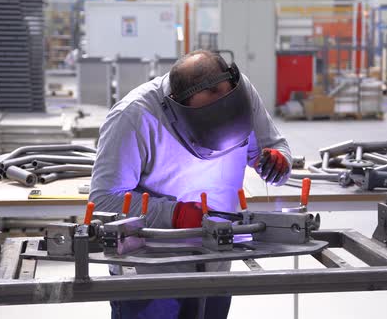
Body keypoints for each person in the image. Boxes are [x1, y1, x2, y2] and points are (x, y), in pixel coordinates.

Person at [89, 50, 292, 319]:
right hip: (152, 267)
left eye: (226, 94)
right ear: (177, 104)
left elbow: (272, 145)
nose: (223, 105)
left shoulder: (240, 94)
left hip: (217, 258)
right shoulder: (134, 116)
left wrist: (278, 161)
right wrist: (175, 214)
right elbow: (103, 201)